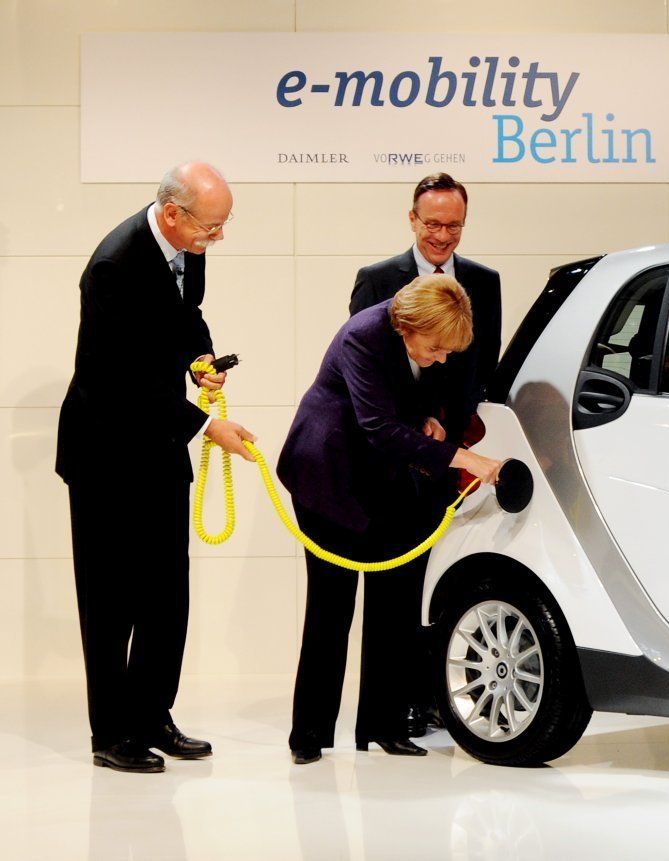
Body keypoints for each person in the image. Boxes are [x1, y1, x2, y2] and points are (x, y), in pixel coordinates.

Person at [56, 162, 257, 773]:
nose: (214, 239)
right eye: (210, 228)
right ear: (174, 213)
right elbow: (121, 379)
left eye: (221, 227)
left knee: (168, 594)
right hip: (106, 453)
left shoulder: (184, 246)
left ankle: (151, 715)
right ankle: (112, 734)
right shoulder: (114, 267)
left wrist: (199, 359)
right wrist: (206, 426)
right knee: (112, 600)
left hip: (157, 445)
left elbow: (186, 315)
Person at [278, 275, 502, 765]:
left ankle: (383, 726)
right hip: (329, 473)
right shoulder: (363, 334)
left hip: (388, 474)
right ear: (407, 327)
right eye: (435, 348)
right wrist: (464, 458)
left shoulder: (431, 340)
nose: (442, 358)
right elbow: (378, 427)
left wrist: (427, 417)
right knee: (330, 608)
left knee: (396, 602)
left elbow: (413, 394)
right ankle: (309, 735)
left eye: (449, 351)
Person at [349, 173, 501, 445]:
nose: (443, 236)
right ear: (412, 219)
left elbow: (487, 361)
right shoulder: (375, 280)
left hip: (461, 437)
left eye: (454, 226)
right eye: (433, 224)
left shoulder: (486, 282)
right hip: (396, 436)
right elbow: (363, 364)